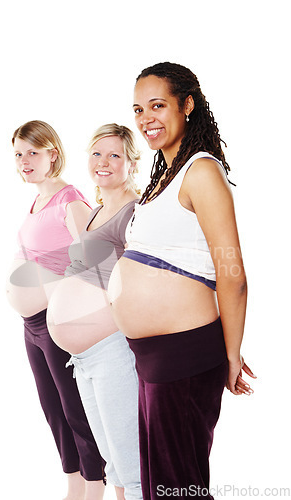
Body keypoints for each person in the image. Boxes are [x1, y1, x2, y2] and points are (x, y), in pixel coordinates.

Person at [108, 63, 257, 500]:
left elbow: (233, 273)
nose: (145, 118)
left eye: (158, 105)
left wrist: (231, 354)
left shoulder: (202, 172)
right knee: (163, 488)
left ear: (187, 105)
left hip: (185, 354)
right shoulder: (161, 181)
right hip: (153, 357)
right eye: (138, 109)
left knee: (178, 489)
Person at [6, 120, 106, 500]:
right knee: (52, 409)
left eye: (33, 152)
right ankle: (74, 484)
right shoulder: (35, 202)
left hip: (55, 323)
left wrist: (54, 282)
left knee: (74, 409)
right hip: (30, 324)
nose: (24, 161)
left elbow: (95, 258)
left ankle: (94, 488)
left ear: (53, 153)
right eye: (18, 154)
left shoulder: (70, 199)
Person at [47, 123, 143, 500]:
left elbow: (142, 283)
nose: (103, 162)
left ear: (132, 163)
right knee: (112, 462)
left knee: (131, 466)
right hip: (82, 358)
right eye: (97, 153)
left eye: (115, 154)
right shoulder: (96, 210)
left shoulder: (135, 212)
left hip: (112, 351)